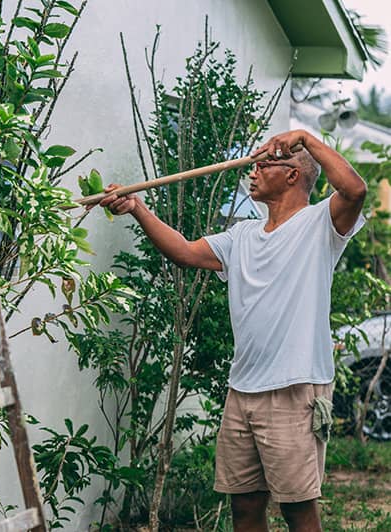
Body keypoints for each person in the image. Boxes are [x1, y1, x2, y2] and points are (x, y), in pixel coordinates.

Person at [96, 129, 366, 532]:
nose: (253, 171)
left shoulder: (319, 225)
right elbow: (185, 251)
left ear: (293, 175)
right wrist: (136, 208)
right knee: (244, 507)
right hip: (242, 392)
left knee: (298, 510)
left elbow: (355, 190)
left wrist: (306, 140)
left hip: (294, 390)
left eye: (264, 164)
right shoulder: (242, 235)